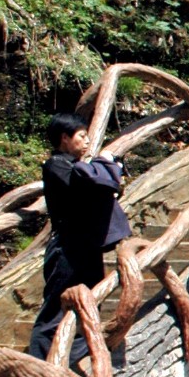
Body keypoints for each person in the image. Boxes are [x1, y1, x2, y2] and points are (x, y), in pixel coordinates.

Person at [27, 113, 131, 360]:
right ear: (65, 138)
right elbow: (93, 184)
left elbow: (103, 186)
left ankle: (79, 357)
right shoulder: (57, 165)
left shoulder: (75, 167)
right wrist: (106, 164)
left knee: (91, 301)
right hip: (67, 249)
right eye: (82, 136)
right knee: (55, 307)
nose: (87, 141)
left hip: (87, 247)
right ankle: (41, 367)